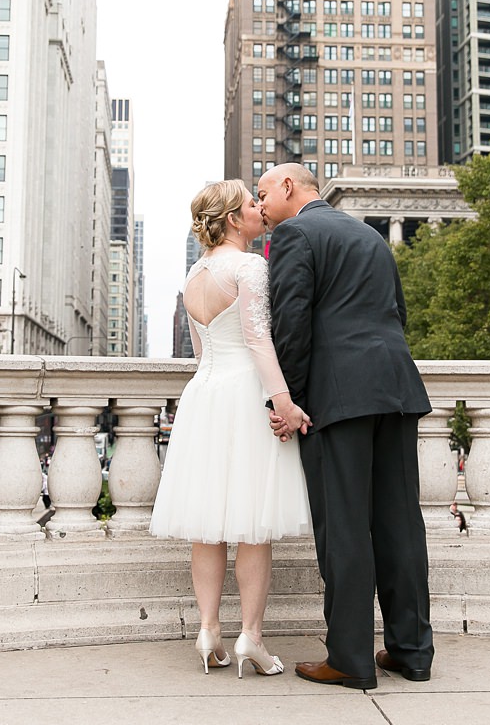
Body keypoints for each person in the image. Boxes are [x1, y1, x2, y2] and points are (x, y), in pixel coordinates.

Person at [258, 162, 434, 690]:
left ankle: (351, 658)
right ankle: (412, 652)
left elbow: (291, 322)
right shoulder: (368, 233)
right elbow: (397, 311)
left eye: (263, 193)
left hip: (339, 397)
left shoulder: (294, 234)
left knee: (344, 528)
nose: (261, 206)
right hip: (397, 388)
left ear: (290, 187)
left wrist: (290, 402)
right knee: (401, 524)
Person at [149, 180, 313, 679]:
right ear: (233, 219)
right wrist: (283, 403)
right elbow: (259, 342)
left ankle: (208, 631)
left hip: (204, 395)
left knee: (208, 523)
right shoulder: (250, 267)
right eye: (250, 204)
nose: (260, 209)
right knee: (253, 524)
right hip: (244, 394)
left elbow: (201, 352)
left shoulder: (194, 273)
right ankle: (252, 637)